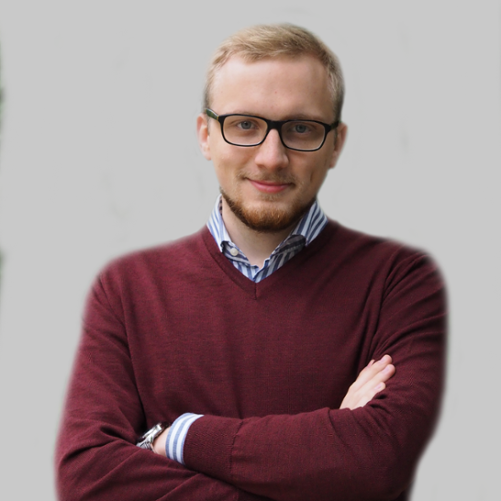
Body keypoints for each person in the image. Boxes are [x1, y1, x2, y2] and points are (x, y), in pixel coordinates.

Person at [55, 24, 446, 501]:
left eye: (300, 129)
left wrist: (178, 437)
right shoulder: (126, 289)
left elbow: (379, 458)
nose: (271, 157)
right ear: (206, 135)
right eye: (244, 125)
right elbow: (87, 477)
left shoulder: (400, 282)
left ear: (336, 144)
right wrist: (325, 457)